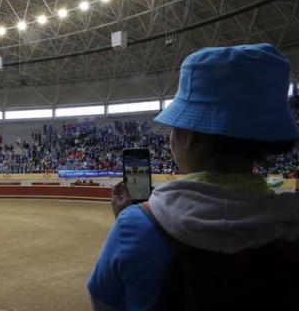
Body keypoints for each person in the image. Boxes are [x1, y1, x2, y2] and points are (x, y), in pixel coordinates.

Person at [88, 43, 299, 310]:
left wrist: (132, 222)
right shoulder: (291, 223)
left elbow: (105, 303)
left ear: (190, 138)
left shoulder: (136, 225)